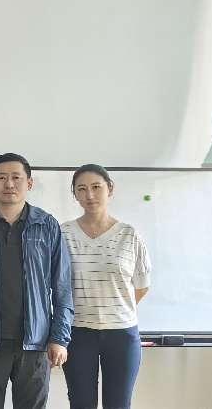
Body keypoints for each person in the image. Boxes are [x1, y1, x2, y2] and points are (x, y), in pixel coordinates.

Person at [0, 153, 73, 409]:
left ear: (29, 183)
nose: (9, 184)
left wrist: (60, 338)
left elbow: (62, 286)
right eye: (1, 178)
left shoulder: (47, 225)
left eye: (16, 177)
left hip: (36, 341)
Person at [61, 164, 152, 409]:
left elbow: (142, 286)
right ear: (75, 194)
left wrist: (114, 309)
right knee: (81, 403)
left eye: (96, 187)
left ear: (110, 189)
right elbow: (55, 285)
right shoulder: (63, 233)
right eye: (81, 189)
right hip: (77, 333)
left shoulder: (130, 235)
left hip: (122, 335)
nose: (89, 195)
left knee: (118, 404)